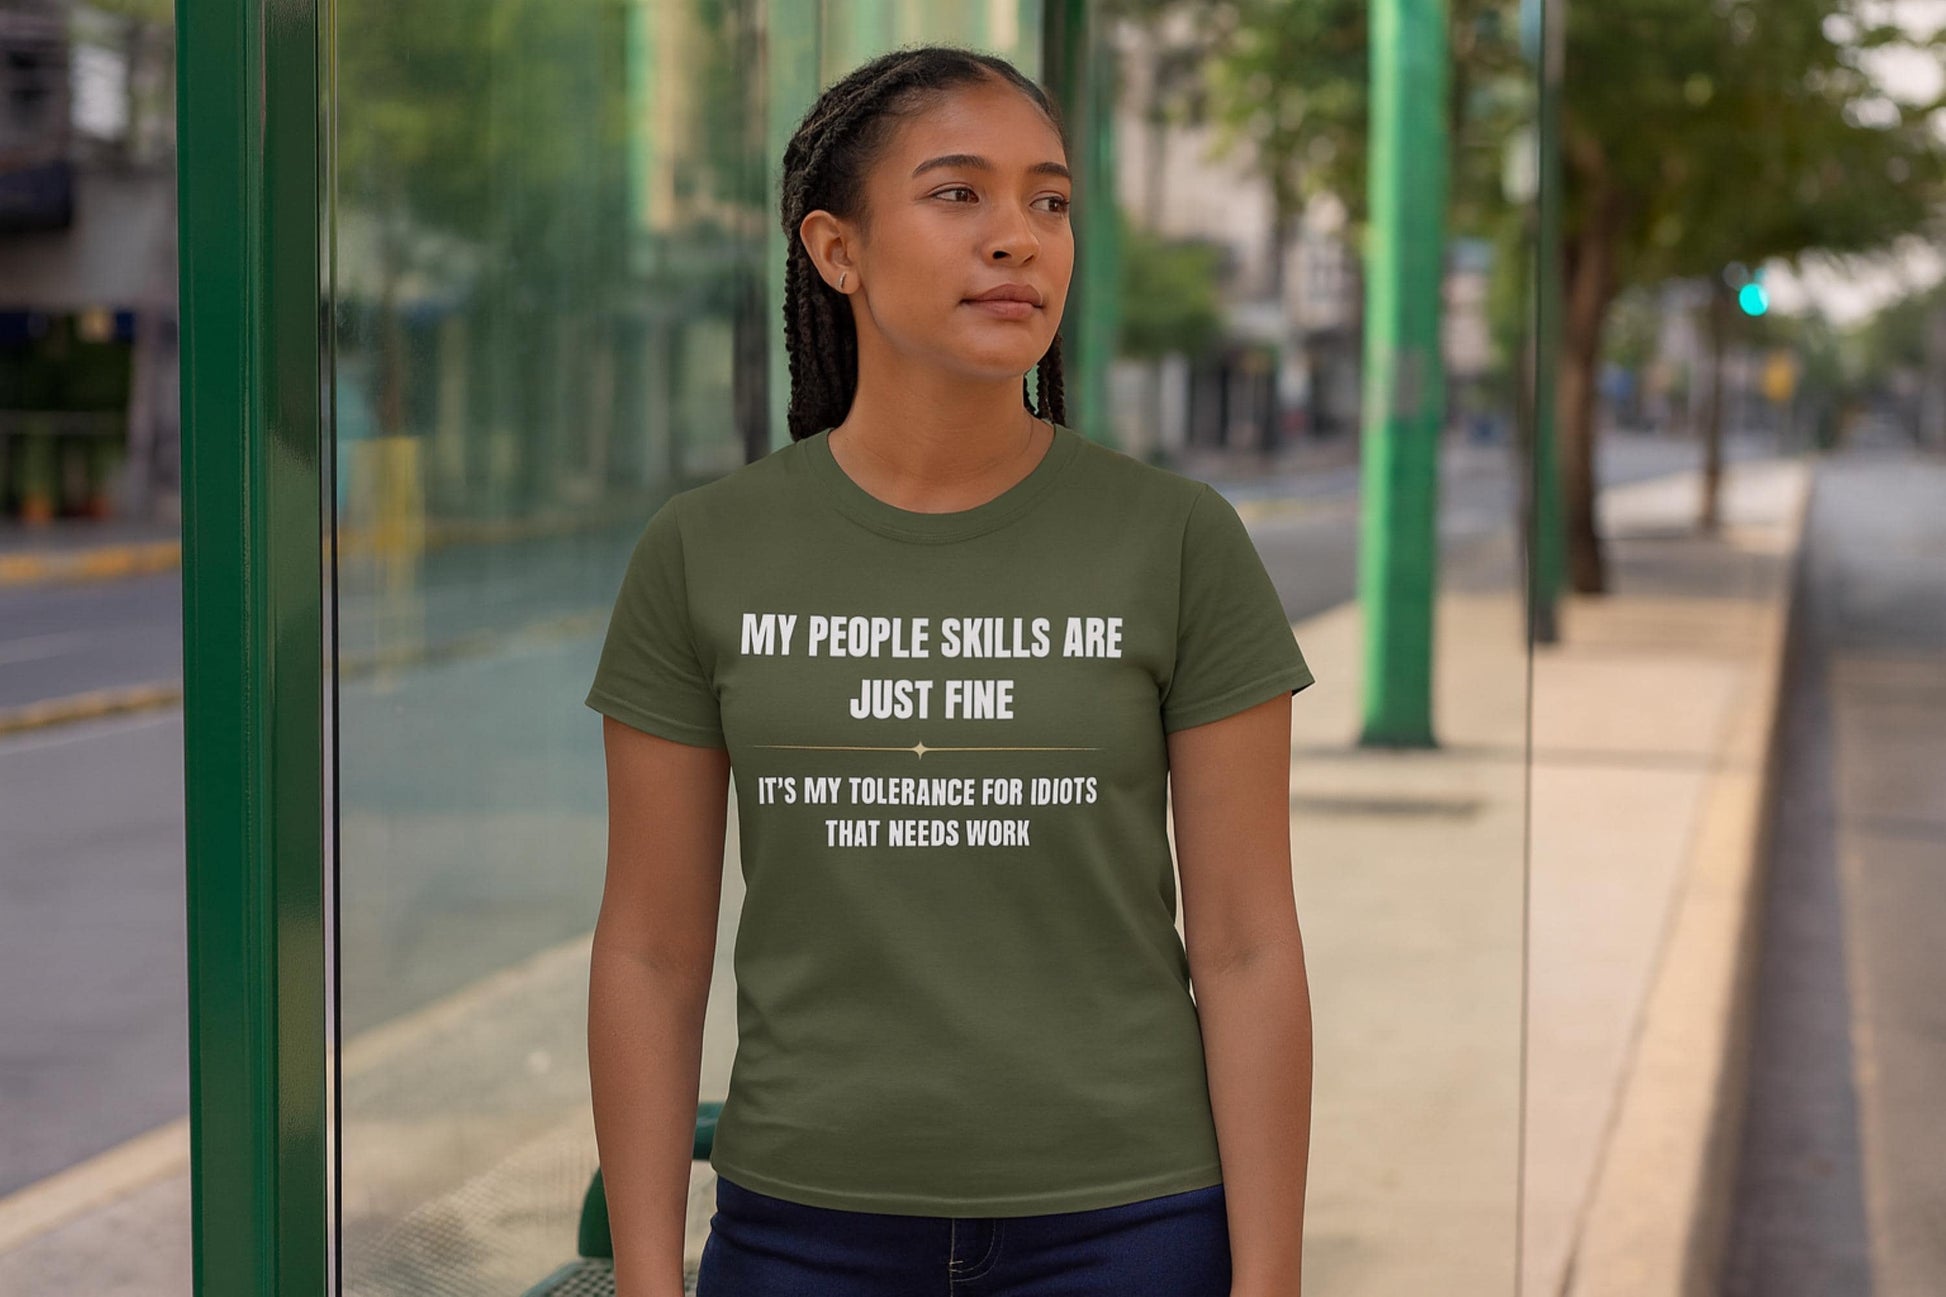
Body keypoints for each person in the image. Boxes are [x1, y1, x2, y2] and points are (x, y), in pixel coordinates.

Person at [584, 44, 1317, 1297]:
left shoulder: (1177, 538)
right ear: (836, 250)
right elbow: (650, 948)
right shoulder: (702, 552)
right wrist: (652, 1276)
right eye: (958, 193)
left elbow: (1246, 942)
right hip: (802, 1232)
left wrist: (1269, 1278)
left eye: (1048, 200)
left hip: (1129, 1228)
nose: (1018, 237)